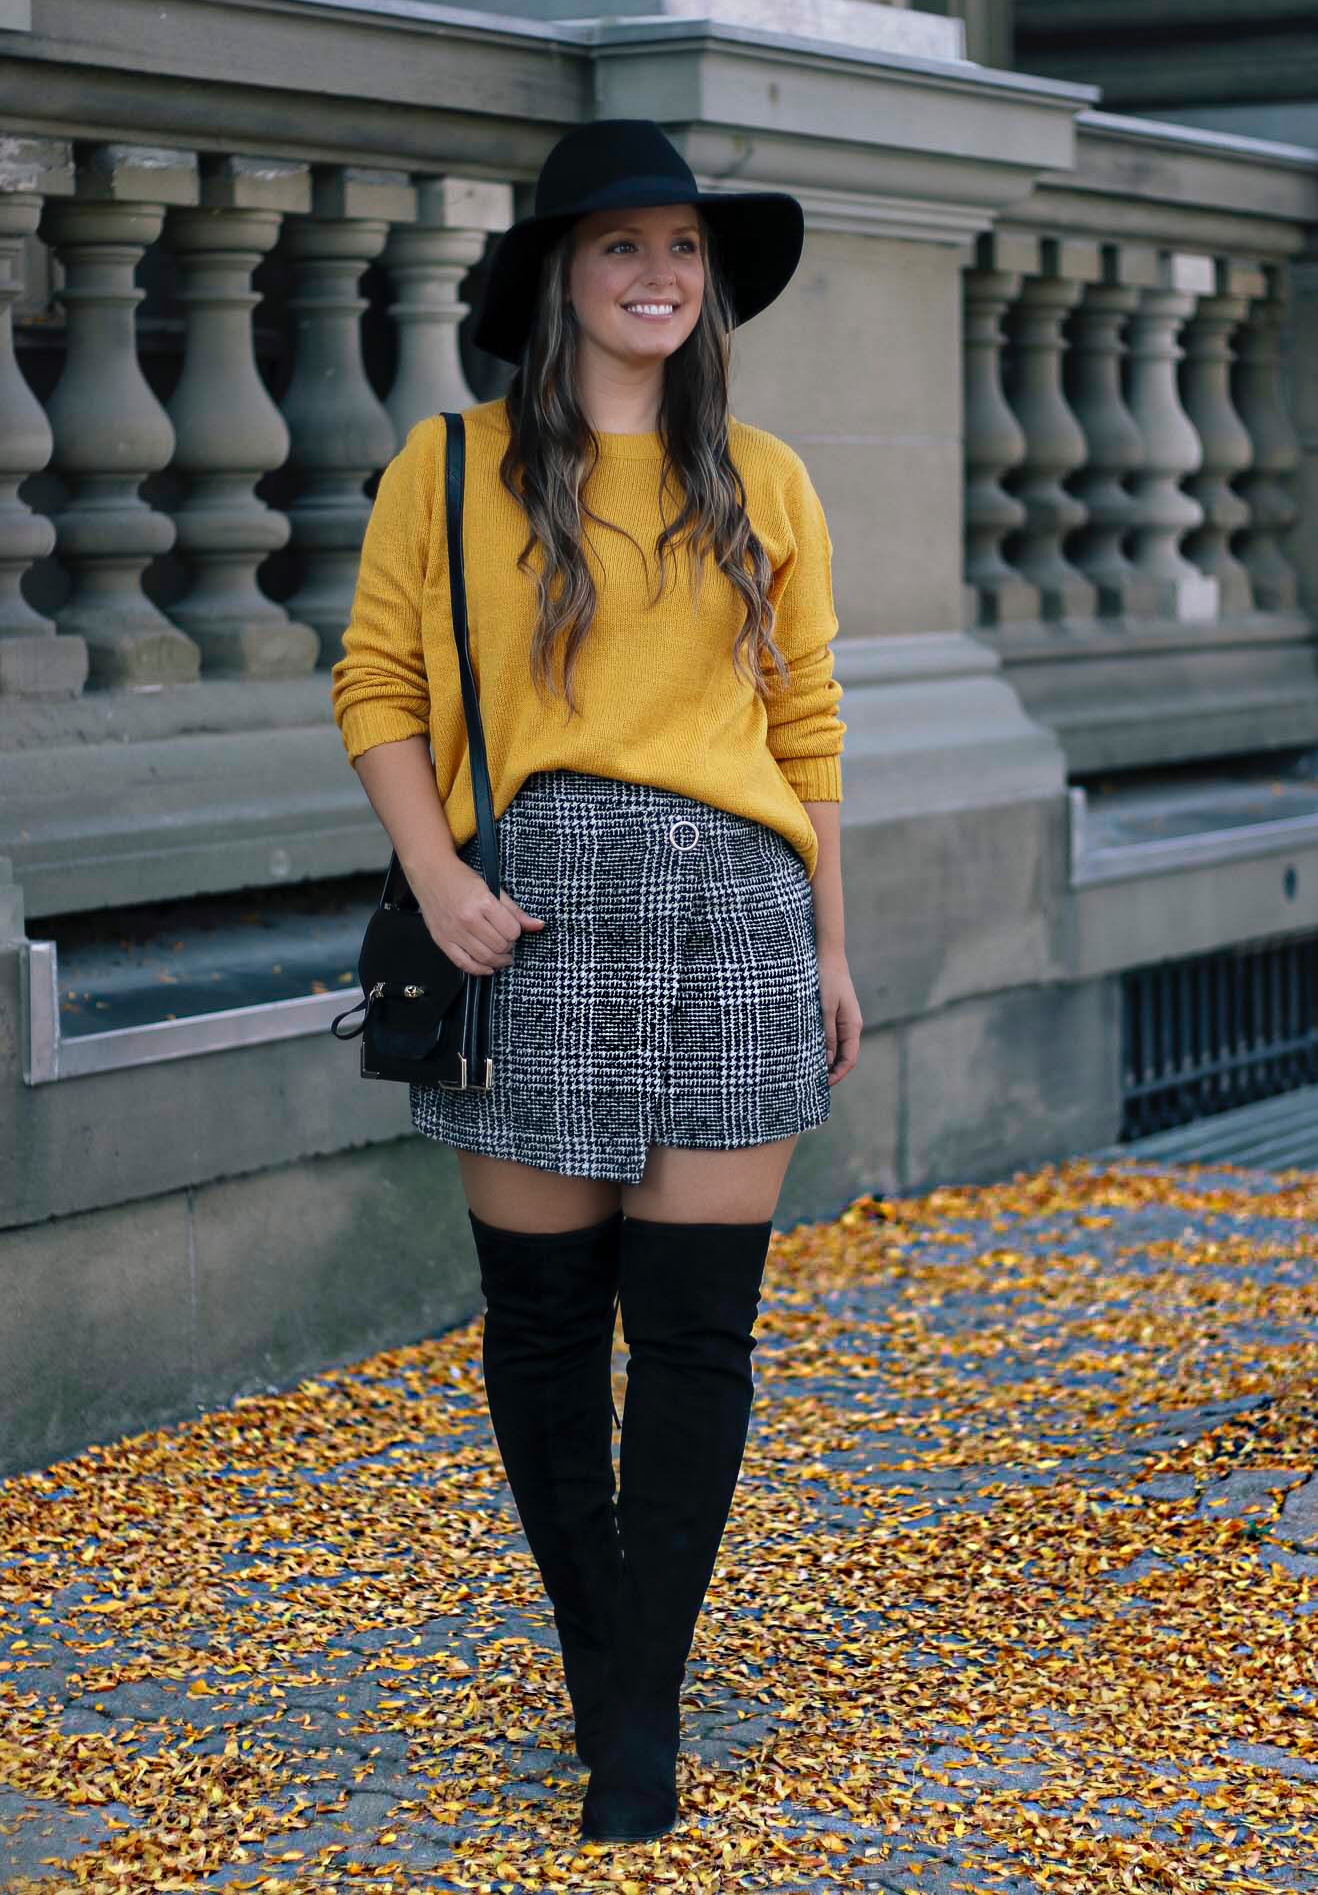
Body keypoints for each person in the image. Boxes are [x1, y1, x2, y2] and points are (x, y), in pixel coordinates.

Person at [331, 118, 862, 1845]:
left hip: (733, 906)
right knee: (548, 1330)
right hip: (531, 909)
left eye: (685, 251)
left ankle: (640, 1705)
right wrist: (438, 875)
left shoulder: (764, 477)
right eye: (624, 244)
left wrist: (832, 941)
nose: (658, 274)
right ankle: (601, 1665)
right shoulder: (451, 464)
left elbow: (808, 729)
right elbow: (380, 682)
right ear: (559, 272)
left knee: (695, 1332)